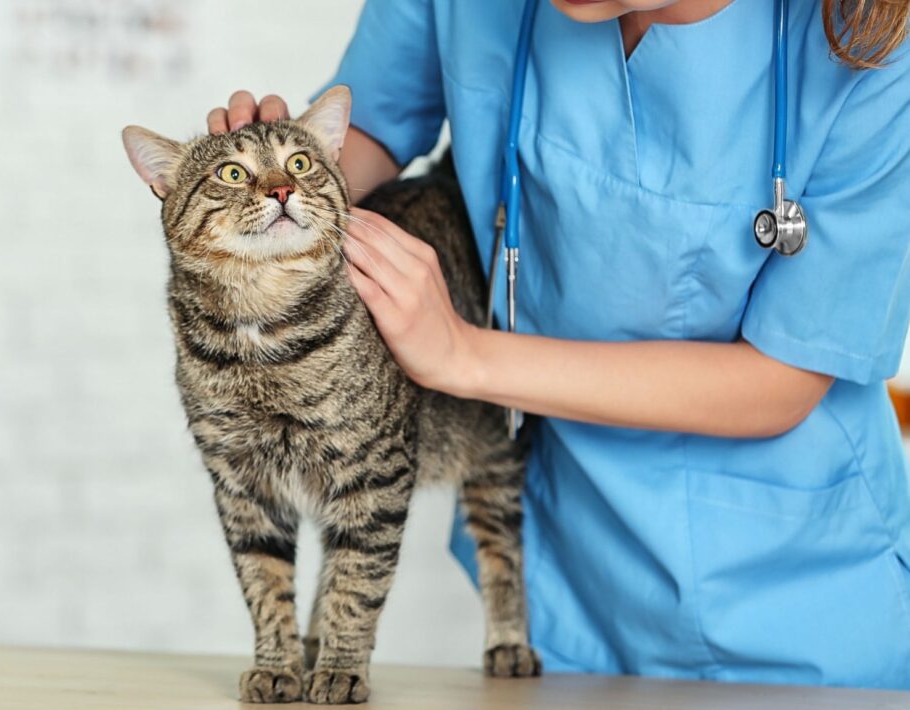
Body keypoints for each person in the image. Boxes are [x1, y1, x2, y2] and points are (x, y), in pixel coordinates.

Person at [204, 0, 910, 690]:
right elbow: (369, 135)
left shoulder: (875, 45)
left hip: (801, 605)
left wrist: (464, 355)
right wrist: (267, 186)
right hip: (566, 582)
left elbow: (783, 378)